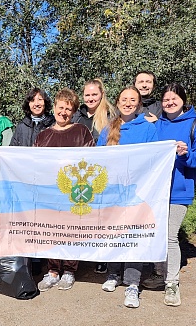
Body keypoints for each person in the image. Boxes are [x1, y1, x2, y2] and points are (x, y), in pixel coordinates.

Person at [97, 86, 158, 308]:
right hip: (113, 193)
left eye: (133, 99)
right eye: (124, 99)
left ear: (139, 103)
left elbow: (156, 158)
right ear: (118, 102)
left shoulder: (148, 128)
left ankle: (133, 284)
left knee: (133, 236)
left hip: (138, 192)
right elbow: (98, 159)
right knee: (114, 234)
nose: (128, 103)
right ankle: (114, 274)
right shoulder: (108, 129)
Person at [34, 88, 94, 292]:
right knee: (52, 231)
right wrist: (5, 154)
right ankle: (52, 271)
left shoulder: (81, 132)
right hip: (51, 193)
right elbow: (31, 162)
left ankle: (69, 270)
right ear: (54, 108)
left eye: (69, 109)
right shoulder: (43, 136)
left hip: (74, 192)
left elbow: (93, 161)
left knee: (71, 231)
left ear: (74, 111)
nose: (64, 112)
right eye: (61, 107)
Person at [142, 84, 196, 307]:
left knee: (170, 235)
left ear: (183, 100)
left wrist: (186, 155)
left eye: (174, 98)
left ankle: (172, 282)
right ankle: (159, 272)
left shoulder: (193, 123)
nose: (170, 102)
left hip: (179, 190)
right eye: (166, 99)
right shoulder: (157, 125)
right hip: (156, 190)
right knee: (157, 233)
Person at [9, 88, 54, 276]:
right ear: (28, 104)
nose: (37, 103)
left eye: (41, 100)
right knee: (29, 218)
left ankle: (46, 257)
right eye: (33, 100)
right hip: (26, 181)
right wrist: (2, 154)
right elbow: (13, 149)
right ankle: (31, 257)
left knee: (46, 218)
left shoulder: (53, 124)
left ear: (46, 103)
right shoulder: (21, 126)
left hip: (47, 180)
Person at [72, 78, 116, 144]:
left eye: (94, 95)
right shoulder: (76, 117)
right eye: (87, 95)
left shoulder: (111, 117)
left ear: (102, 94)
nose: (90, 99)